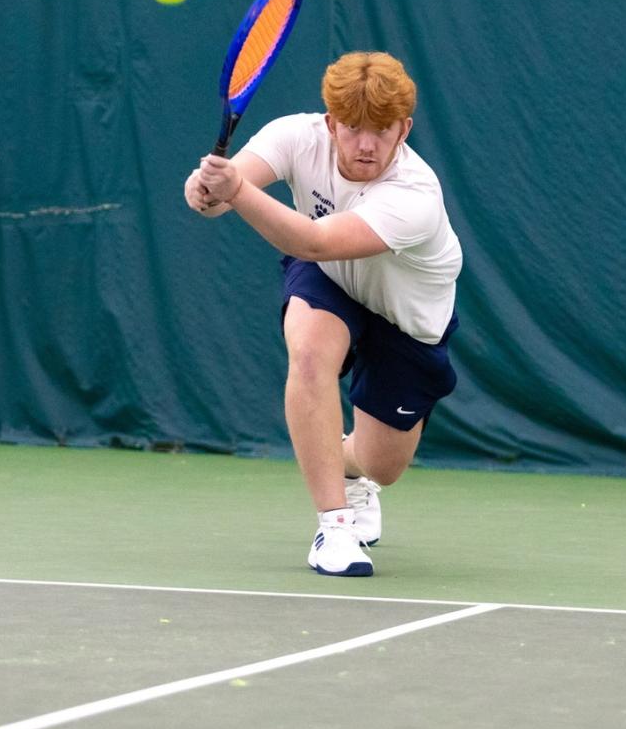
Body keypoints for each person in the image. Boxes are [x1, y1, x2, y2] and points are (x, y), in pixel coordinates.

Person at [184, 51, 463, 577]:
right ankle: (333, 528)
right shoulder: (296, 136)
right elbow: (226, 190)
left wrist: (235, 193)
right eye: (353, 128)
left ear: (404, 128)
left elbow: (313, 240)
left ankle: (351, 469)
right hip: (330, 281)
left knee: (384, 464)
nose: (365, 144)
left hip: (406, 319)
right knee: (309, 355)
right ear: (331, 122)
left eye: (381, 131)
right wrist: (206, 192)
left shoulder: (414, 194)